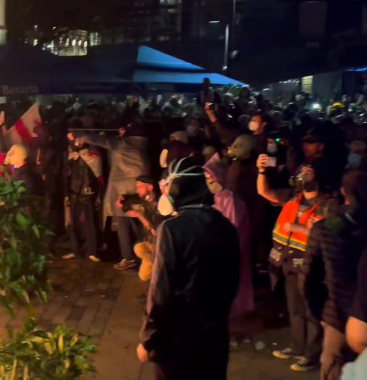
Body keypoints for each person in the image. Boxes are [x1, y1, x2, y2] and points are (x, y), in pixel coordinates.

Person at [137, 157, 240, 380]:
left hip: (178, 338)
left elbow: (160, 293)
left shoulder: (172, 229)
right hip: (215, 335)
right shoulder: (226, 226)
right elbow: (233, 282)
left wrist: (148, 339)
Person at [258, 155, 332, 372]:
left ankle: (312, 354)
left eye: (308, 172)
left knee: (311, 310)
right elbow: (264, 192)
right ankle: (297, 347)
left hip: (312, 266)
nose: (302, 175)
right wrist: (261, 172)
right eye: (301, 171)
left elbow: (332, 237)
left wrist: (301, 229)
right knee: (295, 309)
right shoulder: (292, 197)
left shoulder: (328, 205)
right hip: (289, 263)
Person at [303, 170, 367, 379]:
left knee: (335, 369)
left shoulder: (326, 229)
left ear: (343, 192)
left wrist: (320, 315)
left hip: (338, 318)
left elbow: (308, 280)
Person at [74, 122, 150, 271]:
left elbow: (103, 141)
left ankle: (128, 257)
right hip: (139, 187)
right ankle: (145, 253)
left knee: (123, 223)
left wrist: (81, 136)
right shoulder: (141, 144)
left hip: (123, 189)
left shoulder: (123, 144)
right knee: (139, 222)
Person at [204, 153, 254, 320]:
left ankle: (235, 312)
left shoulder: (229, 198)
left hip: (231, 247)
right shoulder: (213, 198)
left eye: (210, 178)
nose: (208, 182)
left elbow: (233, 227)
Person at [63, 136, 102, 262]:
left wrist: (97, 194)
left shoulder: (93, 154)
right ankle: (75, 249)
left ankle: (92, 251)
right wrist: (67, 193)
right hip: (74, 191)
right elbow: (67, 176)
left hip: (88, 191)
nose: (75, 141)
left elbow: (98, 176)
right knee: (74, 223)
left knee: (90, 222)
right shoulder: (71, 156)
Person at [127, 176, 161, 282]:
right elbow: (131, 198)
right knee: (138, 248)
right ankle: (155, 263)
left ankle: (158, 265)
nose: (137, 190)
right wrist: (122, 200)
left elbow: (154, 228)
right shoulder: (146, 200)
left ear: (150, 187)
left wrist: (139, 216)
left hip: (159, 242)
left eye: (140, 186)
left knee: (144, 275)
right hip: (150, 242)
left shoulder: (160, 203)